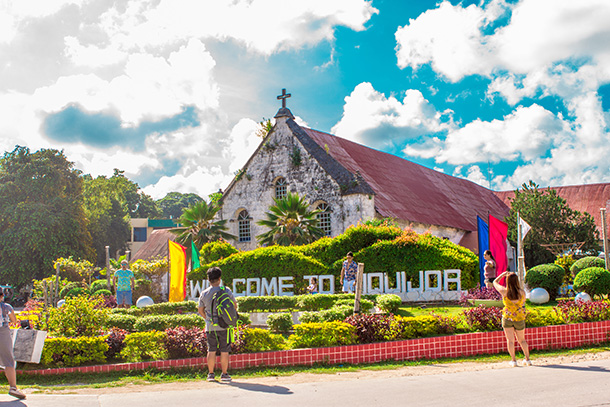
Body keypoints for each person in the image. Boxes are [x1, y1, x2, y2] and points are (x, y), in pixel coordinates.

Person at [198, 267, 236, 383]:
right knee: (224, 350)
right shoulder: (226, 290)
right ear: (219, 279)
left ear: (208, 279)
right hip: (224, 326)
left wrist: (208, 319)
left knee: (211, 349)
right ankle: (224, 374)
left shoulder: (204, 293)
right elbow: (234, 306)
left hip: (210, 327)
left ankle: (210, 374)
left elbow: (200, 310)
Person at [493, 271, 532, 367]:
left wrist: (503, 274)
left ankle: (514, 361)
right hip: (519, 318)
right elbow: (523, 302)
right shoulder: (522, 292)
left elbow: (494, 282)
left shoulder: (504, 291)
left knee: (510, 340)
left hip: (507, 318)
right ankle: (527, 359)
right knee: (522, 340)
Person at [0, 292, 26, 399]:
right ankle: (13, 388)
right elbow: (14, 320)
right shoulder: (6, 307)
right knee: (8, 361)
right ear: (1, 296)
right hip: (3, 332)